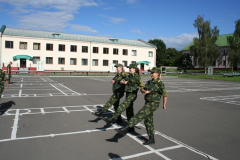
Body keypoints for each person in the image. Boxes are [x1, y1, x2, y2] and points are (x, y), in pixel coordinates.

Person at [115, 67, 168, 145]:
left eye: (153, 73)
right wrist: (145, 91)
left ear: (158, 74)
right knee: (148, 120)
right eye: (151, 73)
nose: (151, 74)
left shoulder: (160, 83)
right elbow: (142, 89)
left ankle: (126, 127)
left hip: (154, 103)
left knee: (140, 114)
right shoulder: (149, 82)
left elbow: (165, 94)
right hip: (148, 102)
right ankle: (151, 138)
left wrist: (164, 104)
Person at [103, 64, 144, 132]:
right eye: (129, 68)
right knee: (129, 111)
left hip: (132, 95)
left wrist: (143, 90)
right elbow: (121, 81)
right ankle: (131, 127)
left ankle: (112, 118)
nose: (129, 69)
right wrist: (124, 82)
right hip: (128, 94)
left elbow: (142, 85)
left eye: (131, 68)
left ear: (135, 69)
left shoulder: (137, 77)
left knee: (124, 104)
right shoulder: (129, 76)